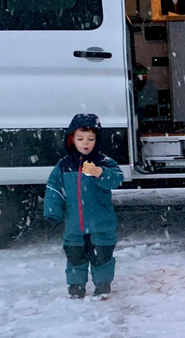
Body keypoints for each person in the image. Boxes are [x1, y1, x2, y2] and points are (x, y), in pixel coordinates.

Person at [43, 114, 124, 299]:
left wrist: (101, 173)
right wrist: (52, 210)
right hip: (74, 224)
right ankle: (76, 285)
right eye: (80, 139)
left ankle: (103, 284)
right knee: (75, 256)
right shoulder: (64, 166)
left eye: (91, 139)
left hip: (100, 222)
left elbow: (117, 179)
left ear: (98, 140)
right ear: (72, 139)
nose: (85, 143)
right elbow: (53, 187)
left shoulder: (104, 162)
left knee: (102, 255)